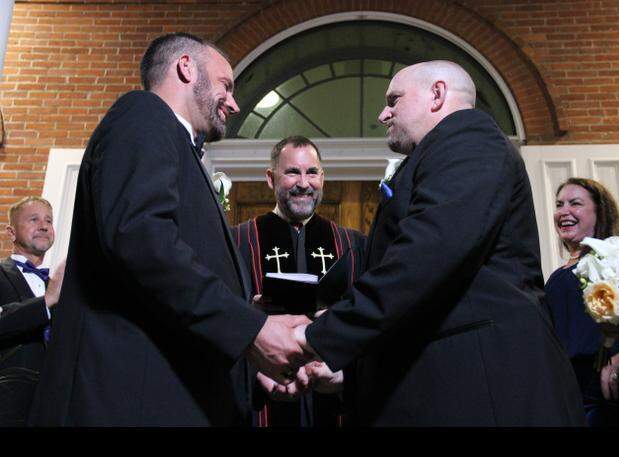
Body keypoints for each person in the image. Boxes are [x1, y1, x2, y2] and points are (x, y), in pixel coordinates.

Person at [28, 32, 310, 428]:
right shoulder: (143, 115)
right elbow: (141, 240)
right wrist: (251, 330)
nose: (233, 102)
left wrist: (249, 370)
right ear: (185, 67)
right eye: (226, 85)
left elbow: (172, 303)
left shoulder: (177, 144)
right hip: (129, 403)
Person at [292, 60, 584, 427]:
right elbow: (429, 304)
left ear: (437, 94)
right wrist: (351, 371)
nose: (383, 113)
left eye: (394, 99)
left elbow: (423, 260)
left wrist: (315, 337)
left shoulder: (468, 139)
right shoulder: (439, 153)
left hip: (483, 391)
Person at [232, 136, 366, 429]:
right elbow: (220, 326)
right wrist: (255, 368)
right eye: (292, 172)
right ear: (271, 178)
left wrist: (347, 372)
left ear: (322, 178)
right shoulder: (239, 242)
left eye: (312, 172)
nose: (303, 183)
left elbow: (371, 326)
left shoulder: (353, 245)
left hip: (332, 398)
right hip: (263, 401)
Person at [543, 178, 619, 428]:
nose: (564, 211)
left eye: (575, 203)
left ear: (599, 211)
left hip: (611, 387)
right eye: (559, 204)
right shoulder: (556, 276)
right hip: (572, 387)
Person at [0, 197, 65, 427]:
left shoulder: (59, 284)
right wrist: (46, 301)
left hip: (55, 406)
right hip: (8, 406)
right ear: (11, 232)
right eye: (33, 219)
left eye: (48, 220)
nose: (44, 225)